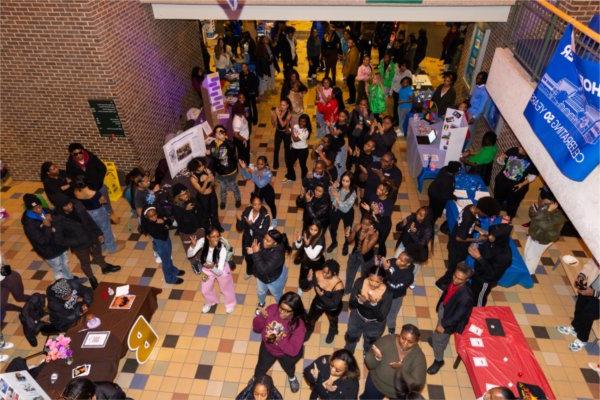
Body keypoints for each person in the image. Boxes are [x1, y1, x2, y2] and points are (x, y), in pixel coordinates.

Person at [53, 196, 121, 290]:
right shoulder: (58, 220)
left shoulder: (78, 207)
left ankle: (104, 267)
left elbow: (89, 220)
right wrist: (76, 242)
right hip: (79, 245)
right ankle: (91, 277)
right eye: (66, 206)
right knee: (85, 262)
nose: (69, 206)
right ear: (61, 207)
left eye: (70, 203)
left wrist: (99, 233)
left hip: (92, 237)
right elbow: (59, 240)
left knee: (98, 254)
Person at [436, 196, 500, 291]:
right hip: (457, 247)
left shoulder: (470, 207)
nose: (485, 217)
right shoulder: (468, 218)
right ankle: (442, 284)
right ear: (481, 211)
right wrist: (476, 240)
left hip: (457, 243)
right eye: (486, 215)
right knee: (452, 268)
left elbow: (469, 226)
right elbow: (459, 238)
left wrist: (479, 229)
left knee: (455, 265)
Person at [253, 292, 306, 393]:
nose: (282, 313)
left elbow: (293, 351)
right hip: (268, 348)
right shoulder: (272, 309)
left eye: (288, 311)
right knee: (260, 367)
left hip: (285, 354)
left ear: (294, 311)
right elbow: (256, 328)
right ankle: (256, 380)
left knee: (289, 368)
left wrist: (280, 340)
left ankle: (291, 377)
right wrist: (261, 318)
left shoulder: (299, 325)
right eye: (281, 308)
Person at [427, 262, 474, 375]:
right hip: (446, 309)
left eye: (460, 279)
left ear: (466, 280)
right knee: (439, 335)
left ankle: (439, 360)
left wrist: (443, 325)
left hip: (449, 321)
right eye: (455, 276)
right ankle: (438, 339)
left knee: (439, 339)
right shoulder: (454, 282)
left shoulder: (466, 296)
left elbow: (457, 316)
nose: (455, 280)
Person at [362, 324, 426, 399]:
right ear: (399, 335)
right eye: (403, 338)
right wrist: (377, 358)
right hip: (376, 384)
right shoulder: (387, 341)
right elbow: (370, 365)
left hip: (398, 392)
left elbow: (418, 385)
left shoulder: (418, 356)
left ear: (416, 342)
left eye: (410, 342)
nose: (405, 344)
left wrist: (401, 370)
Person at [21, 194, 73, 280]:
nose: (38, 209)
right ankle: (63, 286)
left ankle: (70, 279)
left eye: (39, 206)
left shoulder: (46, 210)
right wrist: (47, 227)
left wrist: (52, 217)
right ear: (29, 209)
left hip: (60, 243)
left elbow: (60, 220)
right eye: (34, 208)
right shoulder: (29, 224)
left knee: (65, 263)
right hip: (49, 250)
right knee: (58, 268)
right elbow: (41, 240)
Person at [345, 264, 393, 354]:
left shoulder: (388, 293)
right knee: (351, 337)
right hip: (357, 317)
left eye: (377, 282)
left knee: (370, 341)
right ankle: (348, 354)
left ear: (382, 280)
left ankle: (367, 353)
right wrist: (359, 301)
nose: (373, 284)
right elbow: (351, 305)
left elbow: (381, 317)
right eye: (371, 280)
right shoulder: (359, 282)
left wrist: (372, 304)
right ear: (368, 276)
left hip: (375, 324)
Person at [557, 260, 600, 351]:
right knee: (580, 305)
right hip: (590, 287)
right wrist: (582, 275)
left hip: (596, 295)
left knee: (588, 315)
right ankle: (575, 327)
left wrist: (594, 293)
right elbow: (592, 263)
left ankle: (582, 339)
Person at [468, 223, 513, 306]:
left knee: (479, 300)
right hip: (478, 273)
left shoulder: (505, 255)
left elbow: (492, 273)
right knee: (473, 292)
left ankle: (478, 315)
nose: (489, 237)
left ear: (500, 238)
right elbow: (485, 250)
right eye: (490, 234)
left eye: (492, 236)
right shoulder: (492, 241)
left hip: (486, 280)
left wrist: (479, 258)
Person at [524, 189, 566, 275]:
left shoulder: (560, 217)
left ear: (555, 203)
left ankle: (529, 273)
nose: (543, 201)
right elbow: (535, 218)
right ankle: (525, 265)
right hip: (535, 234)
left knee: (533, 257)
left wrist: (546, 211)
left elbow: (544, 225)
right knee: (527, 252)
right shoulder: (546, 206)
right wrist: (533, 210)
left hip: (542, 239)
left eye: (547, 200)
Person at [248, 229, 291, 310]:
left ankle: (280, 308)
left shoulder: (278, 255)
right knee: (260, 291)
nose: (264, 241)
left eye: (268, 241)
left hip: (274, 279)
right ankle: (261, 304)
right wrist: (253, 251)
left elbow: (264, 269)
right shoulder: (265, 243)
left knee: (277, 295)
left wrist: (256, 253)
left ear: (275, 243)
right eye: (265, 238)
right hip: (262, 277)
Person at [72, 177, 117, 254]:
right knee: (106, 229)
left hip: (88, 213)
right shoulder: (94, 192)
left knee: (97, 231)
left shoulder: (76, 192)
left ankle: (102, 247)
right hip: (99, 212)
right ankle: (111, 248)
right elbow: (104, 201)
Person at [140, 206, 184, 285]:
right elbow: (162, 233)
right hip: (161, 243)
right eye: (151, 216)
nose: (154, 217)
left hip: (166, 240)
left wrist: (164, 223)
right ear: (147, 217)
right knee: (166, 261)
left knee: (168, 257)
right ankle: (169, 278)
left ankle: (173, 270)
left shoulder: (158, 219)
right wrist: (163, 223)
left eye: (155, 214)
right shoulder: (149, 225)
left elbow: (169, 222)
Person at [65, 143, 111, 218]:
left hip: (98, 185)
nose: (79, 155)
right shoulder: (70, 164)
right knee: (94, 204)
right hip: (86, 189)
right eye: (76, 154)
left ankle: (109, 213)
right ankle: (101, 215)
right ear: (72, 154)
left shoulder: (92, 158)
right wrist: (80, 185)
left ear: (83, 151)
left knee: (105, 200)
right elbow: (71, 177)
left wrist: (99, 180)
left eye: (80, 152)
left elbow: (102, 168)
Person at [304, 260, 344, 343]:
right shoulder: (317, 274)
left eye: (327, 273)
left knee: (332, 320)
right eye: (323, 271)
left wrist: (321, 295)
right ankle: (309, 330)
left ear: (334, 273)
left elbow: (333, 304)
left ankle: (333, 331)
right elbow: (305, 288)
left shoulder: (338, 285)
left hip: (332, 307)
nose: (324, 275)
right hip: (318, 302)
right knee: (310, 319)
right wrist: (308, 280)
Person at [494, 145, 538, 220]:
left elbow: (532, 176)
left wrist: (522, 184)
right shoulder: (513, 150)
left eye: (522, 147)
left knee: (512, 205)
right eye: (520, 146)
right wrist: (501, 158)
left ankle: (508, 220)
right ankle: (493, 215)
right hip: (503, 180)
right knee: (497, 200)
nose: (519, 148)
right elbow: (502, 162)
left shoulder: (533, 160)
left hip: (518, 185)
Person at [393, 206, 434, 284]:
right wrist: (402, 224)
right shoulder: (412, 217)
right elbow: (398, 228)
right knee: (397, 259)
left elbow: (421, 244)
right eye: (418, 212)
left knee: (414, 268)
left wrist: (412, 233)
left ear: (426, 218)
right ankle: (396, 274)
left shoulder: (428, 228)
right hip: (404, 245)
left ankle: (412, 280)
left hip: (416, 251)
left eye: (421, 215)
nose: (417, 215)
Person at [236, 193, 271, 280]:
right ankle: (249, 271)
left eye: (259, 204)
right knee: (247, 257)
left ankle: (258, 273)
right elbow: (240, 228)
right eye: (255, 204)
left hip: (258, 241)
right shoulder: (247, 211)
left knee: (258, 258)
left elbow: (263, 232)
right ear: (251, 204)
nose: (257, 206)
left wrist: (251, 225)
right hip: (247, 239)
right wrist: (239, 220)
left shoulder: (265, 216)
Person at [209, 125, 242, 209]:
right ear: (215, 134)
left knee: (234, 186)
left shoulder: (229, 143)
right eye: (218, 132)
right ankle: (223, 201)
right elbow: (215, 156)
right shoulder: (213, 144)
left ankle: (238, 199)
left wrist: (224, 140)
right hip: (220, 172)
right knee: (223, 188)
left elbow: (230, 150)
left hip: (230, 171)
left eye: (222, 132)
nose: (220, 134)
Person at [345, 215, 379, 294]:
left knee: (364, 276)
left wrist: (367, 236)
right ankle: (347, 290)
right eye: (363, 223)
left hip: (367, 257)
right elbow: (350, 240)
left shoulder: (374, 235)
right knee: (350, 272)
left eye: (366, 225)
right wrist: (347, 235)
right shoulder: (357, 226)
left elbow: (364, 252)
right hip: (355, 252)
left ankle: (361, 290)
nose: (363, 226)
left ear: (371, 225)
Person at [382, 253, 414, 334]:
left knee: (392, 312)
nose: (398, 261)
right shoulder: (392, 261)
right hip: (384, 291)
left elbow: (395, 286)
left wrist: (386, 271)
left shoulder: (408, 276)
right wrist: (383, 266)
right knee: (381, 307)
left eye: (401, 260)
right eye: (399, 257)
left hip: (396, 296)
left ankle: (391, 327)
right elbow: (382, 272)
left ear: (408, 263)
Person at [187, 158, 222, 232]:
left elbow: (213, 185)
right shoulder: (193, 178)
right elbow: (201, 191)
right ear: (195, 167)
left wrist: (212, 180)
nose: (203, 167)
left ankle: (216, 226)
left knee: (214, 212)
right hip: (203, 198)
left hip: (212, 194)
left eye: (203, 165)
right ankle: (207, 229)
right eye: (200, 166)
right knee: (205, 214)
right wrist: (206, 181)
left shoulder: (206, 170)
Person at [361, 182, 394, 257]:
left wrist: (373, 210)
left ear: (386, 192)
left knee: (381, 242)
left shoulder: (389, 203)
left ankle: (381, 257)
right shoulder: (373, 196)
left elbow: (383, 218)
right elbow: (370, 210)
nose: (378, 190)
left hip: (384, 225)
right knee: (370, 238)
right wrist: (368, 209)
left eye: (381, 189)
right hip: (374, 222)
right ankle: (368, 253)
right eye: (378, 188)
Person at [328, 172, 357, 254]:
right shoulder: (338, 187)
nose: (344, 183)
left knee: (347, 229)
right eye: (343, 180)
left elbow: (345, 209)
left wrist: (337, 198)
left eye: (347, 181)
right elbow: (330, 197)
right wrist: (332, 188)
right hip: (336, 210)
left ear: (351, 182)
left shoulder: (353, 193)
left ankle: (346, 244)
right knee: (332, 227)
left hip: (347, 213)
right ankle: (334, 242)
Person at [294, 222, 325, 293]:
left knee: (316, 277)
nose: (313, 232)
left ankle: (313, 285)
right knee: (303, 275)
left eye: (315, 230)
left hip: (317, 262)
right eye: (311, 229)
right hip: (306, 259)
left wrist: (307, 245)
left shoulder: (321, 240)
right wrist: (298, 241)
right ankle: (303, 287)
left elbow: (312, 255)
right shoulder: (306, 233)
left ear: (319, 230)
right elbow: (298, 246)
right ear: (308, 228)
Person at [466, 71, 490, 146]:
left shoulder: (484, 92)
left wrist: (474, 117)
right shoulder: (477, 87)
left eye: (480, 78)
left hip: (474, 114)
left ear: (484, 80)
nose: (477, 79)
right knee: (465, 130)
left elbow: (481, 108)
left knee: (470, 131)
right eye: (477, 77)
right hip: (469, 110)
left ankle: (466, 148)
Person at [286, 113, 311, 183]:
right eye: (300, 120)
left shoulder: (306, 131)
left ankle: (304, 178)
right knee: (289, 163)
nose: (301, 122)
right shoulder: (296, 126)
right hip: (294, 149)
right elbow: (288, 131)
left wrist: (291, 128)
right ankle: (292, 176)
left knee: (302, 165)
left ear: (307, 123)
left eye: (304, 121)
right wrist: (288, 123)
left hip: (303, 150)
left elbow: (295, 139)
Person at [271, 98, 293, 171]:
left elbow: (283, 124)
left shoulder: (289, 114)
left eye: (283, 105)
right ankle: (275, 164)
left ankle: (288, 164)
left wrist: (278, 115)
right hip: (278, 131)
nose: (281, 106)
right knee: (276, 148)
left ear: (287, 106)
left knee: (287, 149)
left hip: (286, 132)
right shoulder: (279, 111)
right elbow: (274, 124)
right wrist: (273, 115)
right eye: (281, 104)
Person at [232, 98, 251, 164]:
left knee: (246, 152)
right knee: (244, 154)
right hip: (242, 140)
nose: (243, 108)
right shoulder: (237, 121)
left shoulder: (241, 115)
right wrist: (243, 139)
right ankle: (246, 166)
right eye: (242, 107)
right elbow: (236, 134)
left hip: (245, 137)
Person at [343, 37, 361, 104]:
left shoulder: (354, 51)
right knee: (350, 85)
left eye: (350, 43)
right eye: (348, 42)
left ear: (353, 43)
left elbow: (351, 64)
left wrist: (346, 75)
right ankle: (351, 98)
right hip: (351, 71)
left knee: (351, 86)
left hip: (351, 72)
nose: (348, 44)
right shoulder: (352, 49)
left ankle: (352, 99)